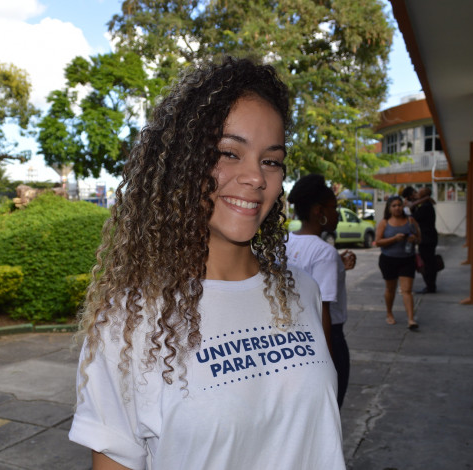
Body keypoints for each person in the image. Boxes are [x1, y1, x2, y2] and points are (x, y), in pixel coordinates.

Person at [68, 57, 344, 470]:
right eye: (229, 153)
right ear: (183, 165)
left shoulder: (302, 291)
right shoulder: (127, 321)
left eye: (271, 160)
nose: (256, 177)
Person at [286, 174, 356, 409]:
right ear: (319, 211)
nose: (336, 214)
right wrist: (327, 363)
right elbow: (323, 308)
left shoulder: (285, 242)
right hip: (324, 337)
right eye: (333, 208)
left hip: (291, 336)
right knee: (328, 411)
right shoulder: (324, 252)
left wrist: (338, 265)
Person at [374, 195, 421, 330]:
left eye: (399, 205)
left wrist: (413, 239)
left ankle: (411, 319)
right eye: (394, 206)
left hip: (407, 259)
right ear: (389, 208)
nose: (397, 208)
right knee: (390, 289)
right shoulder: (384, 222)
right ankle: (389, 313)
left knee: (407, 290)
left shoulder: (410, 220)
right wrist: (394, 239)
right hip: (388, 260)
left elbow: (419, 238)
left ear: (403, 206)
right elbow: (378, 242)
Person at [413, 187, 439, 293]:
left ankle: (430, 286)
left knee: (427, 263)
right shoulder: (426, 205)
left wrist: (415, 204)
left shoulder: (425, 207)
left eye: (419, 192)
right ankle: (430, 285)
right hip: (429, 237)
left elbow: (414, 217)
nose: (416, 194)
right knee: (429, 261)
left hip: (427, 239)